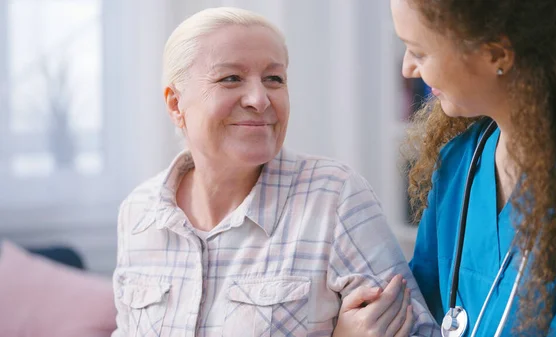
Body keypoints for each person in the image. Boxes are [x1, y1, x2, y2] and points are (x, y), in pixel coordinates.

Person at [111, 7, 437, 337]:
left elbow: (418, 332)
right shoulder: (138, 213)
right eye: (231, 78)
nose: (260, 99)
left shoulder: (334, 197)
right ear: (175, 105)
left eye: (274, 79)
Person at [384, 0, 556, 335]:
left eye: (419, 52)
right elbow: (417, 310)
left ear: (497, 54)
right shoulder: (456, 166)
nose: (407, 69)